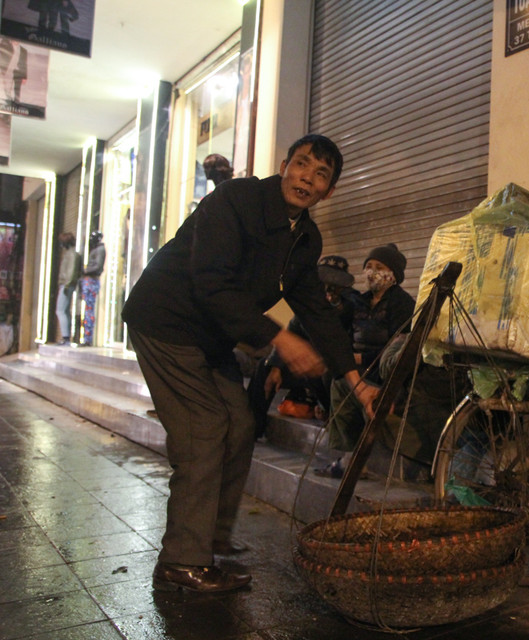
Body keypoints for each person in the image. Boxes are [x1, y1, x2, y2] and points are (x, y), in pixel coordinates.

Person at [121, 134, 376, 594]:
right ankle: (184, 559)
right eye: (301, 165)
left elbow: (317, 312)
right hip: (166, 320)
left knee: (239, 423)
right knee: (205, 430)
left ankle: (207, 542)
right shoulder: (236, 200)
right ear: (284, 165)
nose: (307, 178)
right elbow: (212, 284)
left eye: (320, 175)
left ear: (329, 190)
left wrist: (358, 385)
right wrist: (280, 339)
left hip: (209, 335)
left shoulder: (304, 239)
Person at [321, 243, 415, 478]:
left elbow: (398, 351)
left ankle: (358, 460)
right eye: (368, 266)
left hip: (383, 372)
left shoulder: (402, 304)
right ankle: (347, 456)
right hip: (358, 369)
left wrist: (361, 357)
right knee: (336, 378)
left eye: (379, 267)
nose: (372, 272)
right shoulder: (358, 302)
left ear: (393, 274)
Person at [248, 255, 357, 436]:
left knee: (331, 371)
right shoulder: (309, 304)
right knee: (265, 368)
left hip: (330, 367)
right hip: (307, 366)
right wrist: (276, 367)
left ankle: (331, 414)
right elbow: (291, 333)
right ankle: (253, 427)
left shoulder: (350, 305)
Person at [55, 231, 82, 345]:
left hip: (67, 285)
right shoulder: (71, 254)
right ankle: (66, 337)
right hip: (67, 284)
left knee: (60, 310)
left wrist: (66, 285)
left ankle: (66, 337)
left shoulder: (72, 255)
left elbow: (71, 272)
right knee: (64, 311)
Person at [78, 230, 104, 346]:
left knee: (89, 309)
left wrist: (85, 270)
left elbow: (98, 266)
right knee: (87, 309)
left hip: (92, 280)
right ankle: (86, 337)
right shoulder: (96, 249)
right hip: (89, 280)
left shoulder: (100, 250)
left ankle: (88, 338)